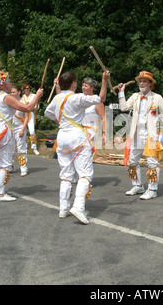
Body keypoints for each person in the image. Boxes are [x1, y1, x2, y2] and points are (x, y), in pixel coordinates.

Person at [44, 70, 110, 224]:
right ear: (73, 83)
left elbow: (48, 113)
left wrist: (62, 122)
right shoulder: (77, 98)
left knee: (66, 174)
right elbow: (101, 98)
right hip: (77, 136)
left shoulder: (57, 98)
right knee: (85, 174)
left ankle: (63, 208)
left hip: (62, 136)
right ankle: (78, 207)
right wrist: (104, 80)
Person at [0, 72, 43, 202]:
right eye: (9, 81)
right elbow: (27, 107)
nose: (11, 83)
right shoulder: (4, 97)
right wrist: (37, 97)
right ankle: (0, 193)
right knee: (4, 163)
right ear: (3, 84)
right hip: (3, 132)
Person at [118, 71, 163, 200]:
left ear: (150, 83)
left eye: (144, 81)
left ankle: (152, 189)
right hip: (136, 134)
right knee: (132, 161)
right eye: (140, 81)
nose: (142, 83)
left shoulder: (157, 98)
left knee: (152, 162)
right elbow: (124, 108)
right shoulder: (135, 96)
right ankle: (137, 185)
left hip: (150, 135)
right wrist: (121, 92)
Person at [11, 85, 30, 177]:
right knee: (10, 148)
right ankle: (10, 166)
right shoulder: (10, 102)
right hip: (11, 128)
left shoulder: (24, 103)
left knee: (21, 148)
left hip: (20, 127)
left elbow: (26, 118)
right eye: (11, 92)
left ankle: (23, 167)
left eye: (14, 92)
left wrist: (23, 129)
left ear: (19, 92)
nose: (12, 94)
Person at [81, 77, 107, 146]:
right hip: (80, 132)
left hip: (91, 133)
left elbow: (103, 118)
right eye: (82, 85)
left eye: (86, 86)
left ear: (92, 88)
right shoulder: (80, 98)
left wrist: (104, 134)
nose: (83, 88)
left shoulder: (96, 101)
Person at [21, 83, 40, 155]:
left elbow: (37, 106)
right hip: (23, 115)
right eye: (25, 88)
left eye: (28, 88)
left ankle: (34, 147)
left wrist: (31, 107)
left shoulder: (34, 96)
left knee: (32, 131)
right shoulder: (22, 97)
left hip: (31, 114)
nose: (26, 90)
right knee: (24, 131)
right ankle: (24, 146)